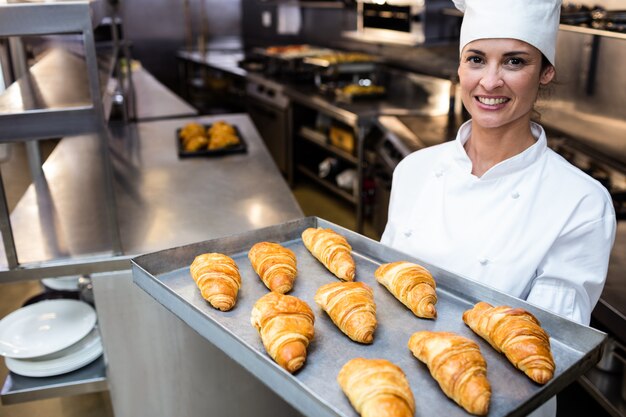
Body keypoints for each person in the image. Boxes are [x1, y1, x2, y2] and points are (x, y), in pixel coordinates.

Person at [381, 0, 616, 416]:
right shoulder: (414, 170)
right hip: (391, 388)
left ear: (545, 72)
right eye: (476, 59)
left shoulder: (580, 202)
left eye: (514, 61)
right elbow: (381, 290)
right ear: (459, 67)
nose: (490, 81)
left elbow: (544, 347)